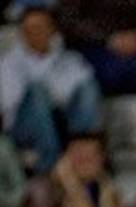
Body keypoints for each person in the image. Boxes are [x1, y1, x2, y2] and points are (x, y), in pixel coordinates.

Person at [0, 6, 102, 173]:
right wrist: (48, 95)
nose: (35, 33)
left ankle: (81, 153)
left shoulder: (69, 59)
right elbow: (9, 103)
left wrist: (51, 96)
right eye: (29, 29)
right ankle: (50, 166)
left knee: (87, 89)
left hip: (62, 122)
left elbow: (84, 95)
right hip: (21, 127)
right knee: (37, 93)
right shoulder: (8, 63)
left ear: (53, 30)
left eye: (40, 27)